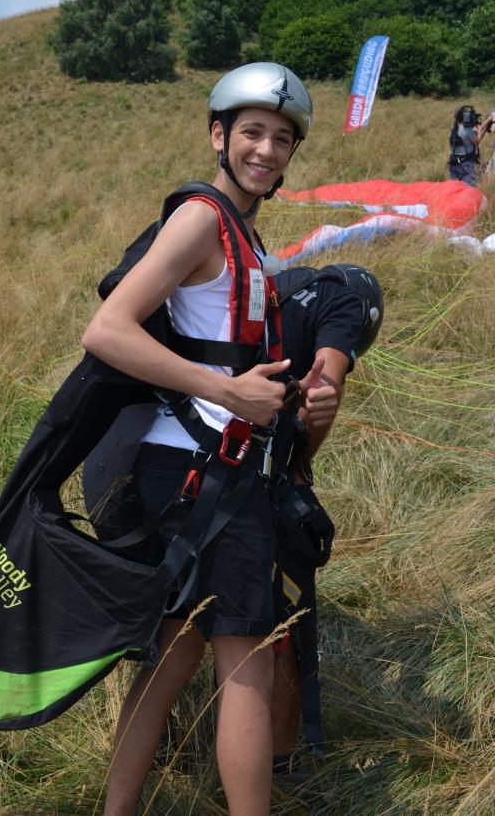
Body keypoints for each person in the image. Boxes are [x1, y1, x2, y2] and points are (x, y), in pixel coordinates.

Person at [81, 62, 335, 816]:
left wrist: (289, 397)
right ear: (218, 135)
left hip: (193, 471)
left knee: (172, 656)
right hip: (211, 474)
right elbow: (107, 330)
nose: (267, 150)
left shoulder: (242, 234)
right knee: (246, 663)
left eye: (282, 139)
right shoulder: (200, 218)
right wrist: (228, 393)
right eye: (253, 132)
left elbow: (218, 348)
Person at [269, 262, 384, 784]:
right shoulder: (344, 305)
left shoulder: (277, 289)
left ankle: (163, 743)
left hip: (161, 459)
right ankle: (282, 764)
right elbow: (325, 392)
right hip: (236, 479)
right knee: (285, 625)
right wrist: (295, 470)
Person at [448, 105, 492, 186]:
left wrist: (486, 124)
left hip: (454, 165)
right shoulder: (466, 129)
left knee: (455, 188)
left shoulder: (455, 129)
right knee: (468, 188)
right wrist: (482, 127)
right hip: (466, 165)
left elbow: (473, 136)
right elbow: (477, 141)